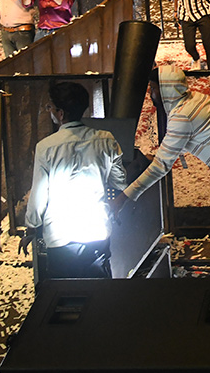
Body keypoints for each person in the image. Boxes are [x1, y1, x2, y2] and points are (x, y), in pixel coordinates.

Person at [111, 65, 210, 277]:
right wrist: (154, 158)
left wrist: (123, 197)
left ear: (165, 89)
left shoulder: (182, 117)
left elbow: (161, 166)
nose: (151, 95)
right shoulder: (194, 99)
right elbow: (171, 150)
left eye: (153, 89)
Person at [20, 81, 128, 279]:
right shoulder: (106, 139)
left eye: (50, 107)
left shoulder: (45, 147)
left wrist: (31, 228)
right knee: (100, 290)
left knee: (65, 291)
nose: (49, 111)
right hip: (96, 231)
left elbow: (39, 195)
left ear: (60, 113)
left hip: (60, 236)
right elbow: (120, 182)